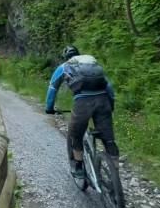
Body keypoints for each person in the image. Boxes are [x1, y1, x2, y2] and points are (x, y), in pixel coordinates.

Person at [45, 45, 119, 180]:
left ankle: (78, 167)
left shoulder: (64, 67)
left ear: (65, 57)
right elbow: (108, 86)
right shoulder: (92, 65)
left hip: (83, 102)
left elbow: (52, 88)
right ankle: (115, 175)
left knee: (75, 134)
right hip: (103, 100)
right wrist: (111, 105)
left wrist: (49, 108)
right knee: (108, 139)